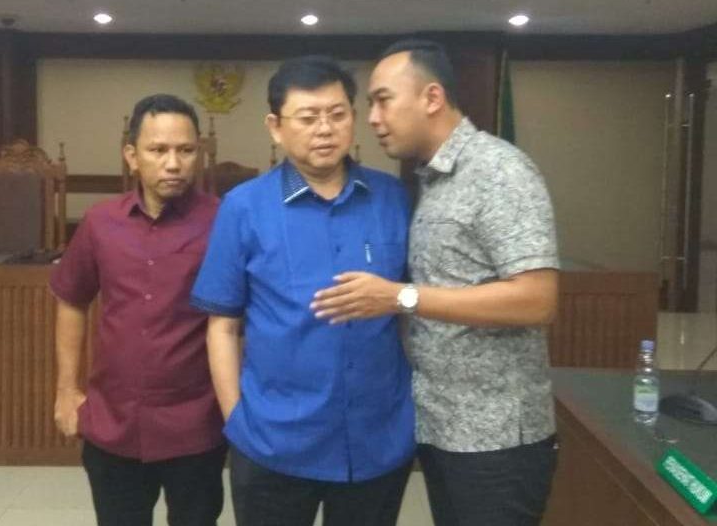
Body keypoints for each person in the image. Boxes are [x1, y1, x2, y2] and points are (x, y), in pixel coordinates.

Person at [312, 40, 560, 526]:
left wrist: (400, 297)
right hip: (443, 427)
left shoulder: (498, 171)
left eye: (383, 101)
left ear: (431, 97)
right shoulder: (432, 179)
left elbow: (537, 299)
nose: (373, 119)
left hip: (497, 440)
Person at [191, 56, 415, 526]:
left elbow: (410, 315)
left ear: (353, 118)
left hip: (377, 439)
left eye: (337, 114)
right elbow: (222, 325)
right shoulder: (243, 207)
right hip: (274, 441)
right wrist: (237, 421)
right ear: (275, 127)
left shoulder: (392, 198)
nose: (325, 129)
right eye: (308, 117)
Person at [51, 94, 226, 526]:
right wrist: (66, 390)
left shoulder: (224, 221)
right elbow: (72, 300)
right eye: (158, 150)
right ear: (132, 155)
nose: (173, 163)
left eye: (186, 150)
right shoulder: (100, 222)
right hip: (114, 422)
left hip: (196, 424)